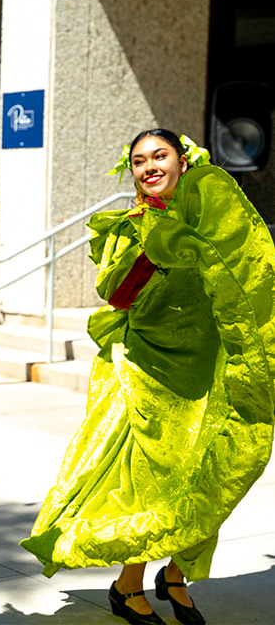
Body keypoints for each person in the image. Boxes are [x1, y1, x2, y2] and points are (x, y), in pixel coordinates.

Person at [21, 129, 275, 625]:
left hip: (209, 364)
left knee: (214, 471)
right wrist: (154, 252)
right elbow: (115, 295)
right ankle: (127, 586)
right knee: (152, 483)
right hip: (147, 366)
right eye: (139, 161)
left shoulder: (216, 220)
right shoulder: (129, 225)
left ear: (184, 162)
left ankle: (176, 576)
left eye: (160, 156)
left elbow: (253, 274)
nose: (149, 166)